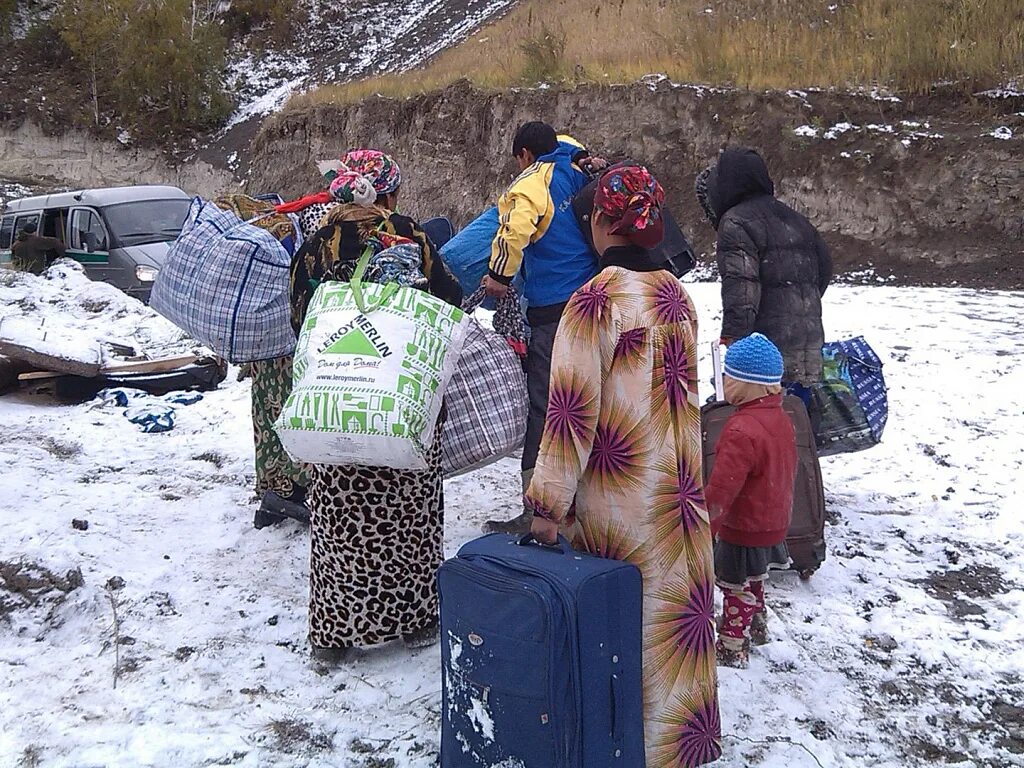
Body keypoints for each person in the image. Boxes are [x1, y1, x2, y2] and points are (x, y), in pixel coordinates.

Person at [527, 166, 722, 768]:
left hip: (622, 503)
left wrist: (546, 505)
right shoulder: (676, 294)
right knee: (675, 624)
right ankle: (678, 748)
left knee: (625, 629)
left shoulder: (594, 301)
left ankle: (621, 749)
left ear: (604, 222)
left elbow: (568, 416)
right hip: (680, 493)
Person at [288, 149, 462, 663]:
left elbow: (299, 317)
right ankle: (414, 622)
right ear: (387, 190)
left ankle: (334, 632)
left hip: (338, 402)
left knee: (341, 518)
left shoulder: (318, 245)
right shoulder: (411, 234)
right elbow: (447, 300)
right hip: (403, 401)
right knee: (409, 513)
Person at [482, 121, 599, 533]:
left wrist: (498, 275)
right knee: (591, 397)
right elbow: (569, 142)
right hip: (596, 299)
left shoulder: (531, 182)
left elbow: (514, 229)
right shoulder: (575, 165)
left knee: (546, 406)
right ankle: (591, 501)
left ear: (525, 156)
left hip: (554, 308)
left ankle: (538, 509)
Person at [695, 147, 832, 387]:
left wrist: (734, 343)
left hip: (763, 354)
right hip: (809, 345)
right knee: (798, 417)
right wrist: (798, 306)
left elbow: (742, 292)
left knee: (760, 417)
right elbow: (825, 269)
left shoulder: (736, 222)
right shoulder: (796, 220)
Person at [705, 334, 798, 669]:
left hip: (743, 524)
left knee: (736, 587)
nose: (722, 381)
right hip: (771, 519)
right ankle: (756, 625)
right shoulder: (781, 419)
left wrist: (705, 524)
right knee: (754, 578)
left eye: (729, 377)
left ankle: (732, 643)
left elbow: (722, 488)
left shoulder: (742, 429)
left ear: (752, 384)